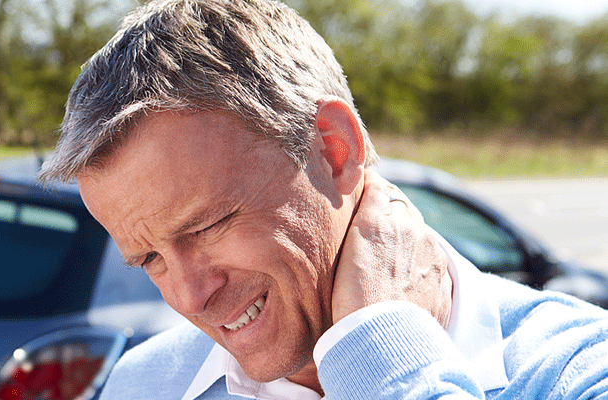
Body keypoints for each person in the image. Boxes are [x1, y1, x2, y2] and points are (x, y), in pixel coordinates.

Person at [37, 0, 608, 398]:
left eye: (207, 226)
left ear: (335, 151)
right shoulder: (145, 384)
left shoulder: (579, 370)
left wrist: (382, 352)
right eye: (151, 260)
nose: (189, 296)